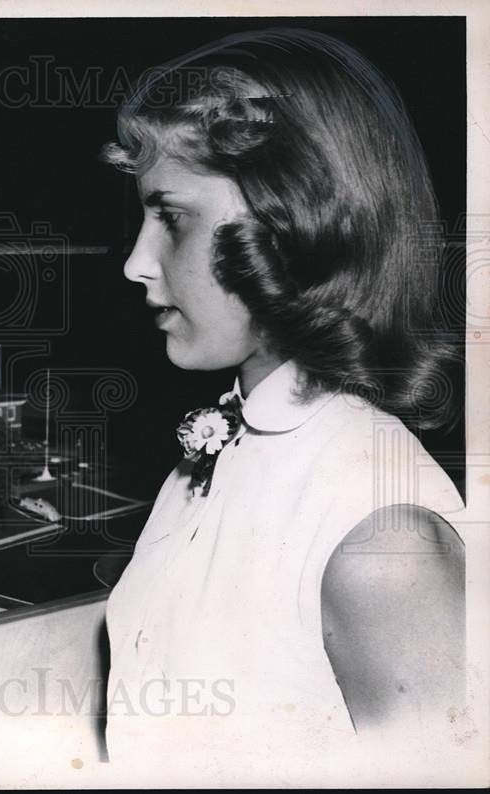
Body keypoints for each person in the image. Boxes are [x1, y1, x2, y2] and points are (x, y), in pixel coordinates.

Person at [100, 28, 467, 777]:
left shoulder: (382, 542)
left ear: (290, 223)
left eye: (171, 217)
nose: (137, 262)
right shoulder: (220, 447)